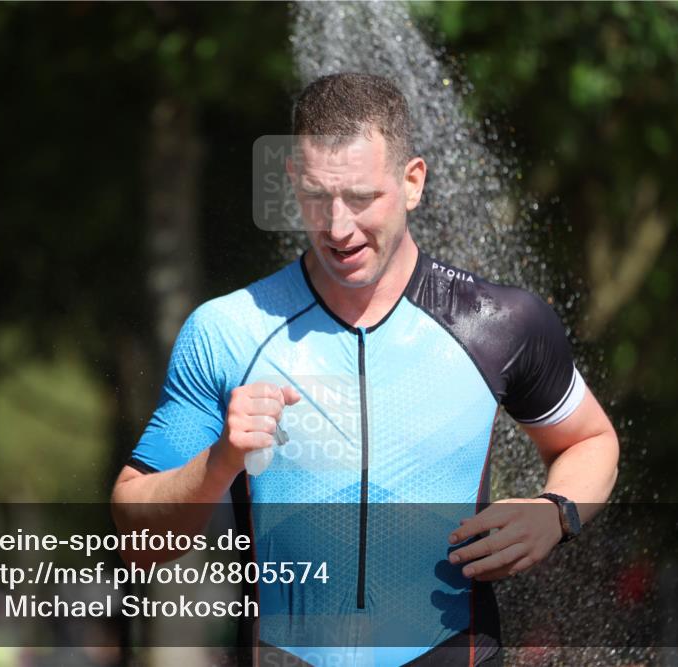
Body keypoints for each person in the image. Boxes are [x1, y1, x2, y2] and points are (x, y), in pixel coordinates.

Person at [112, 72, 619, 667]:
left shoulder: (499, 322)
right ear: (291, 183)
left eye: (360, 198)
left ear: (412, 182)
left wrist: (555, 512)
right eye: (317, 196)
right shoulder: (228, 331)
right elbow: (135, 531)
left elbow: (591, 439)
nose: (337, 227)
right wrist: (219, 458)